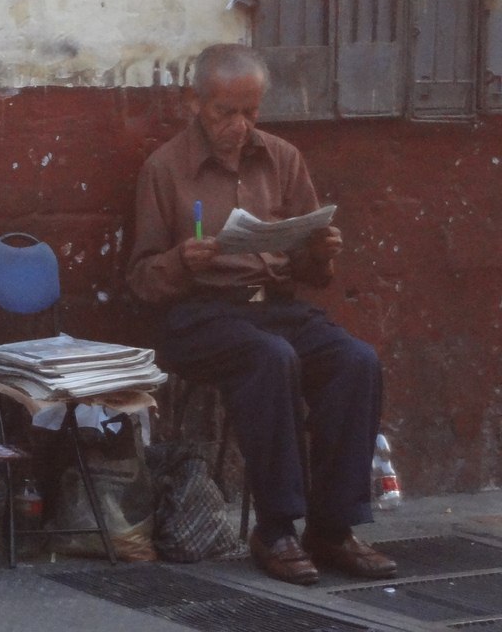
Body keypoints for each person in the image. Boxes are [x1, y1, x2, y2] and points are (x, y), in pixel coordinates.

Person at [128, 44, 395, 586]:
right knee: (270, 358)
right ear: (194, 102)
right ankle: (274, 529)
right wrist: (181, 261)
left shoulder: (282, 158)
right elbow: (141, 280)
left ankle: (333, 527)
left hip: (274, 306)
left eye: (250, 112)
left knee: (356, 361)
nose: (239, 126)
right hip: (198, 314)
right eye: (225, 112)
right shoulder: (165, 168)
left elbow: (313, 273)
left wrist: (319, 252)